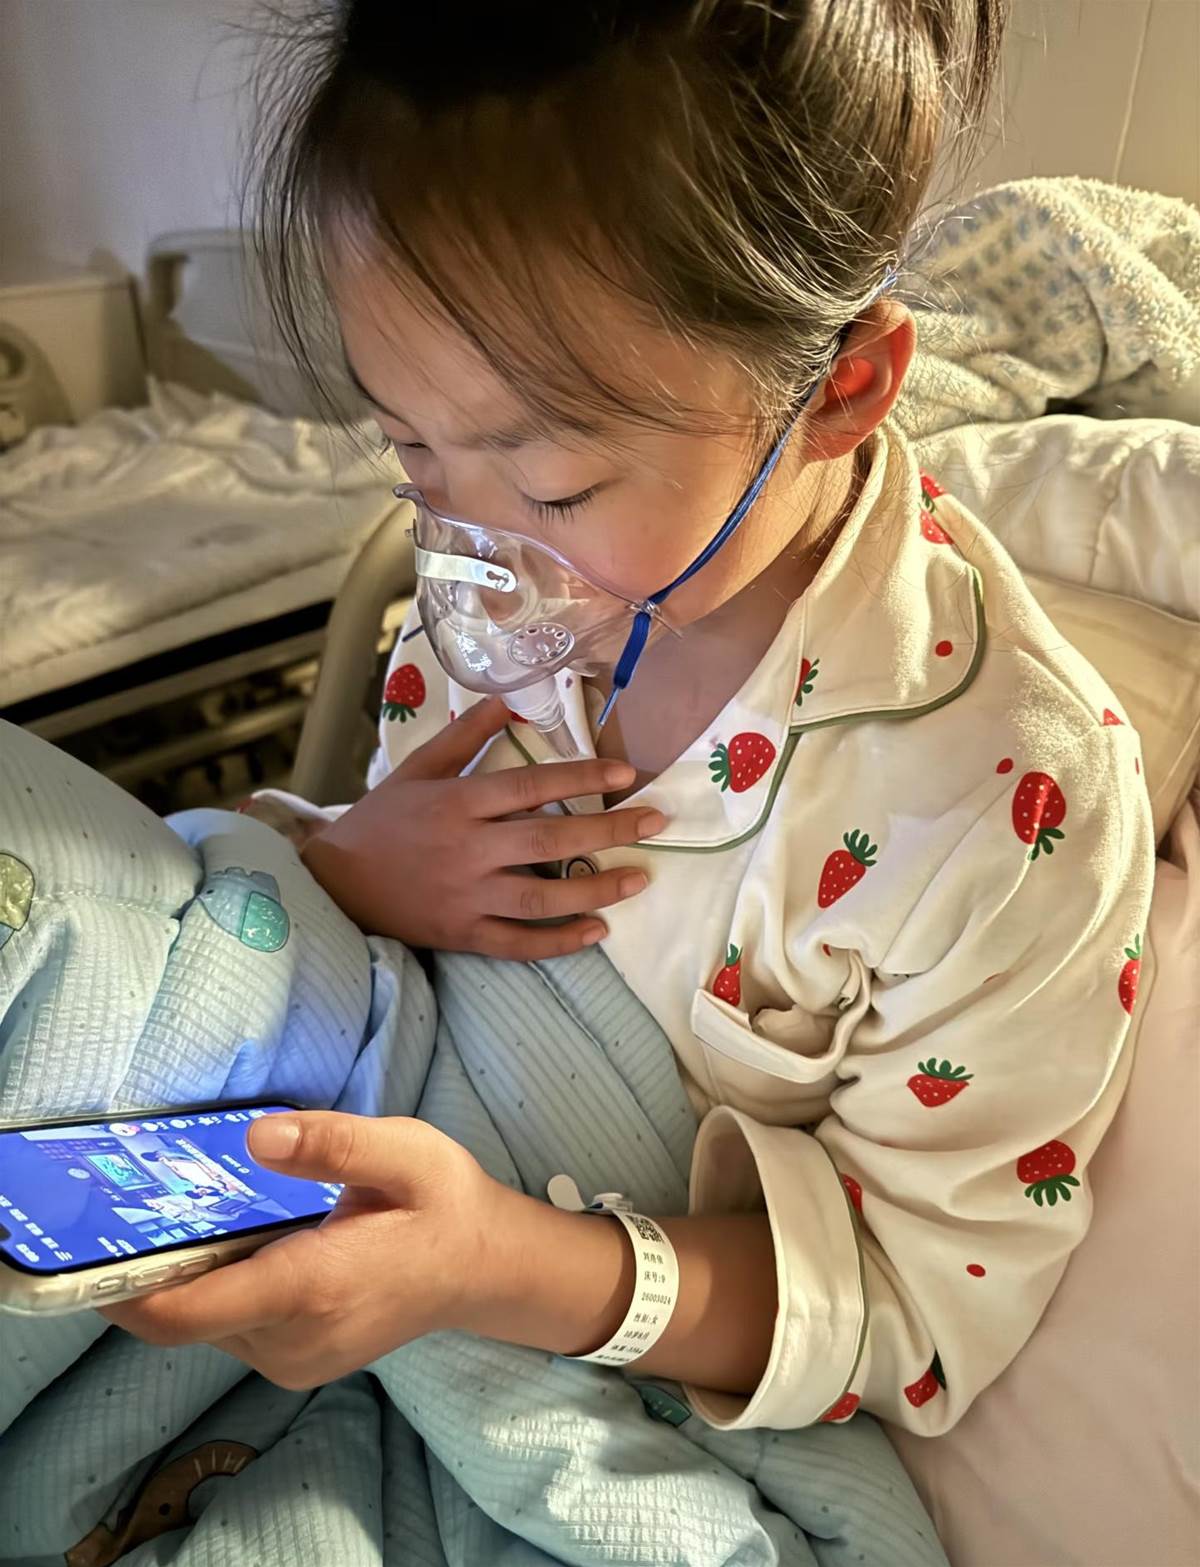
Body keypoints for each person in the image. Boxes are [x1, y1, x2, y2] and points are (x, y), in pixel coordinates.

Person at [113, 0, 1153, 1436]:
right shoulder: (496, 591)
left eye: (554, 490)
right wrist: (345, 867)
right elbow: (362, 945)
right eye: (410, 449)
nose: (471, 553)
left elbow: (912, 1311)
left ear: (840, 389)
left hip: (589, 1385)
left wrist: (489, 1264)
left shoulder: (994, 805)